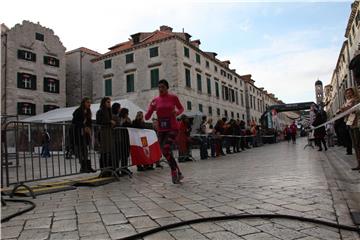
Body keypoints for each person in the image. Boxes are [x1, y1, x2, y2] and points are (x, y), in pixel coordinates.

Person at [145, 79, 184, 184]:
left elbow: (181, 109)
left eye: (163, 87)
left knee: (166, 149)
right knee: (165, 152)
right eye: (159, 87)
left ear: (167, 88)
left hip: (173, 127)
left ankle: (173, 171)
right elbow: (147, 116)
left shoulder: (173, 98)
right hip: (161, 129)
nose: (161, 89)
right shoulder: (156, 100)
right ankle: (178, 172)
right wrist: (150, 107)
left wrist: (176, 112)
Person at [71, 97, 96, 173]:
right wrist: (83, 126)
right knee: (80, 151)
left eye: (90, 102)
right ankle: (83, 167)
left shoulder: (88, 112)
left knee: (85, 150)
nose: (89, 104)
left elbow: (89, 123)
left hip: (85, 134)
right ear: (84, 103)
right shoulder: (78, 111)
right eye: (88, 102)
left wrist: (89, 129)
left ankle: (88, 167)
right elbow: (75, 122)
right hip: (79, 133)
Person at [338, 87, 360, 171]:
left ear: (353, 93)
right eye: (346, 93)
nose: (348, 94)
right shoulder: (346, 103)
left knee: (358, 145)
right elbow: (343, 112)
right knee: (355, 145)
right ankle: (359, 163)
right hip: (350, 124)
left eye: (350, 92)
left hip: (357, 124)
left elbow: (356, 110)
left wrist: (348, 110)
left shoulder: (356, 101)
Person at [96, 97, 115, 173]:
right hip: (103, 133)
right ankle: (103, 170)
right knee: (104, 152)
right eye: (107, 102)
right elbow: (99, 121)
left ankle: (109, 169)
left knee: (110, 152)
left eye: (110, 102)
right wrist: (109, 122)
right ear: (104, 103)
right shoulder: (100, 111)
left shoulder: (110, 111)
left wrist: (112, 123)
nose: (109, 103)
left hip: (109, 132)